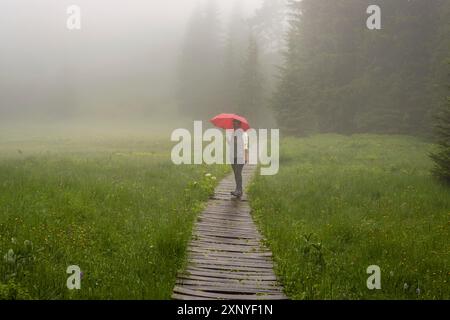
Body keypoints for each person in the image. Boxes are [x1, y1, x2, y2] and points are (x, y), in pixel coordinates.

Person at [227, 119, 249, 198]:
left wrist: (246, 156)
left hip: (240, 156)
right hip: (233, 156)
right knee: (236, 173)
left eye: (235, 123)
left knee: (238, 172)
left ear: (239, 124)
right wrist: (229, 141)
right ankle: (238, 190)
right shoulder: (233, 133)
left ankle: (239, 190)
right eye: (233, 123)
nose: (233, 124)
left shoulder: (242, 133)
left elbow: (245, 145)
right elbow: (232, 145)